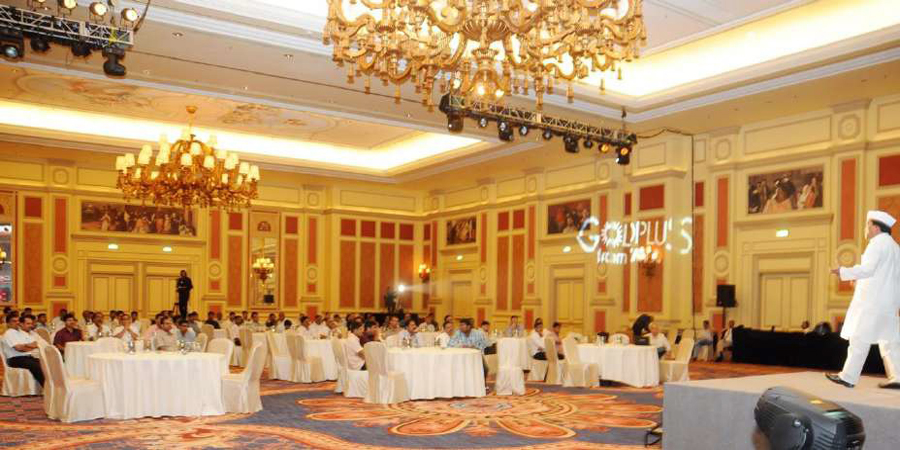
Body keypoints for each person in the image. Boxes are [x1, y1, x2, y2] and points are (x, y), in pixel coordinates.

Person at [827, 210, 900, 389]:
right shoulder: (895, 247)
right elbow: (885, 276)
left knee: (859, 338)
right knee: (889, 341)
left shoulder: (877, 244)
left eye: (867, 225)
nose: (865, 229)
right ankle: (898, 377)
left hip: (873, 303)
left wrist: (843, 271)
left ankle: (848, 377)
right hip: (889, 304)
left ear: (875, 227)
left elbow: (868, 269)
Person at [2, 315, 43, 386]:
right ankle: (46, 386)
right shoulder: (9, 333)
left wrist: (26, 345)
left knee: (44, 363)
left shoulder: (20, 332)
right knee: (36, 366)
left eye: (18, 321)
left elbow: (35, 344)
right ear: (8, 323)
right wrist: (29, 346)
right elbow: (19, 349)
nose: (17, 322)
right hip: (14, 359)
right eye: (14, 321)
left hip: (27, 357)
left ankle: (50, 386)